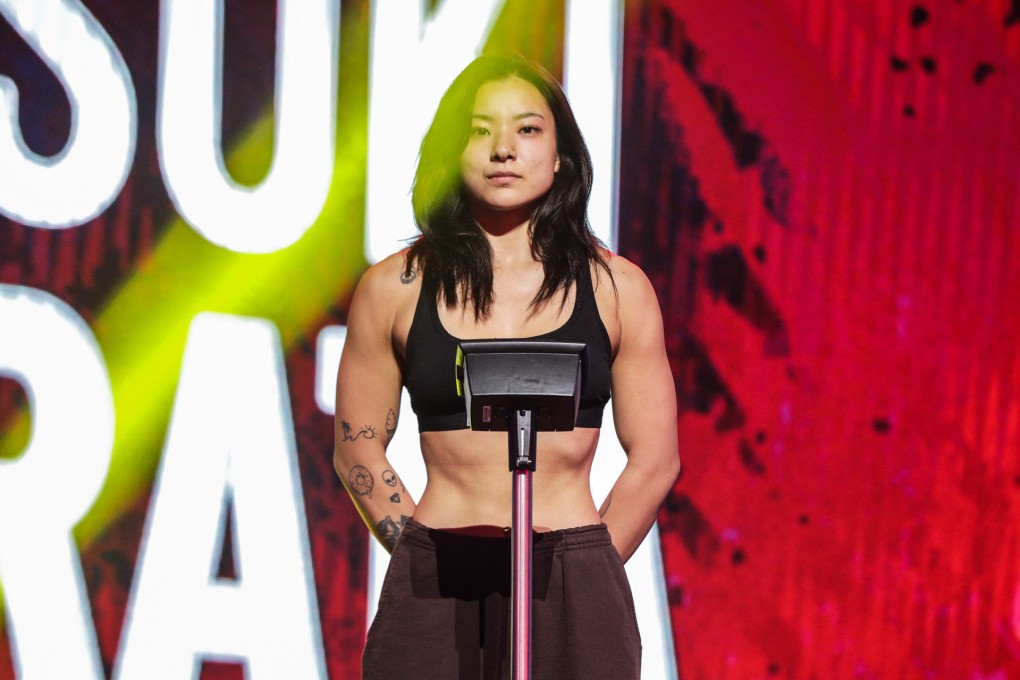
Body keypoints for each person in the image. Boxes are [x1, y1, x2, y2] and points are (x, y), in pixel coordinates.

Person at [333, 53, 679, 680]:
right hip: (436, 572)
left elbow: (657, 456)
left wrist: (587, 565)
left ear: (560, 153)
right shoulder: (395, 287)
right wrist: (421, 552)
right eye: (479, 128)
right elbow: (358, 447)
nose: (502, 149)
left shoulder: (617, 289)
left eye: (526, 129)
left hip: (572, 573)